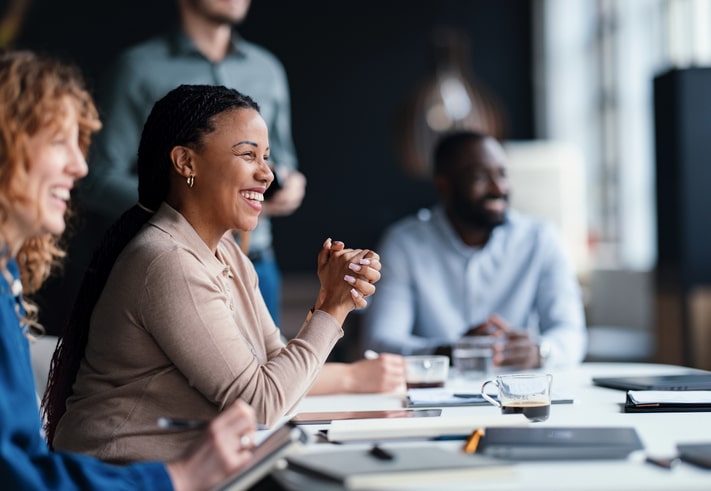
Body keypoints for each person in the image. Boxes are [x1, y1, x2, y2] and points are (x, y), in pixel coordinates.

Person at [43, 83, 391, 465]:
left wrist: (327, 299)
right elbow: (263, 403)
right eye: (248, 155)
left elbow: (278, 371)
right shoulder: (166, 260)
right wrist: (334, 310)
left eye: (266, 157)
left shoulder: (226, 251)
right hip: (120, 476)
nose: (267, 174)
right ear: (185, 162)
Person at [0, 49, 262, 491]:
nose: (80, 166)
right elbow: (14, 474)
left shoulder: (6, 275)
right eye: (58, 141)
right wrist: (176, 477)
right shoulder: (164, 257)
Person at [42, 0, 303, 334]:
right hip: (177, 263)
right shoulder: (137, 69)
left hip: (256, 261)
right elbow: (99, 178)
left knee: (275, 371)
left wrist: (289, 183)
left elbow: (282, 160)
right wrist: (190, 206)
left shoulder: (267, 69)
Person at [362, 130, 587, 369]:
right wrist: (451, 352)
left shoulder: (541, 240)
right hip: (433, 394)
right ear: (444, 185)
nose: (498, 188)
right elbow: (379, 343)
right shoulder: (404, 244)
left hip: (519, 394)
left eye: (502, 174)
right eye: (480, 177)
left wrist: (541, 352)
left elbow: (572, 334)